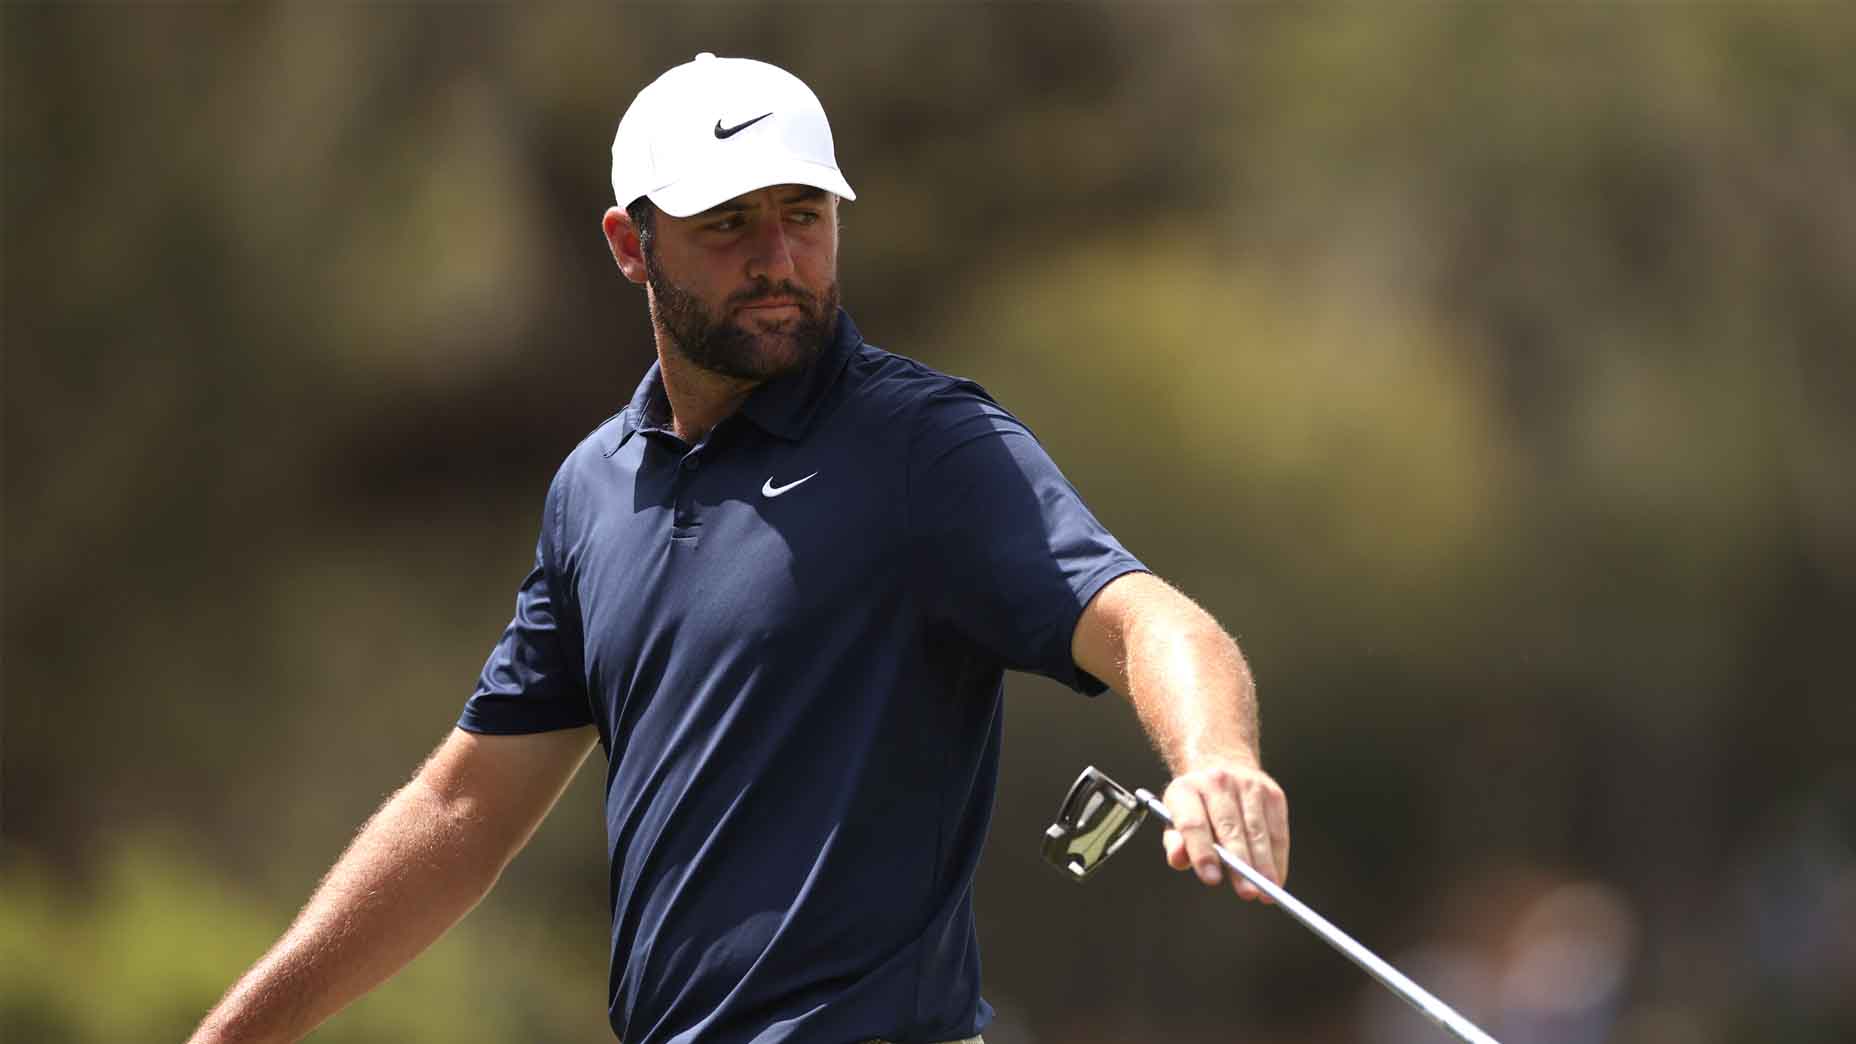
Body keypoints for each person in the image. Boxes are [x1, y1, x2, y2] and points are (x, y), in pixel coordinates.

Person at [189, 53, 1290, 1044]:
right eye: (728, 224)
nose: (778, 258)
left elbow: (1144, 618)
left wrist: (1213, 759)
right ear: (632, 244)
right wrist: (246, 1028)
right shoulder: (593, 488)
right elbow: (465, 806)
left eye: (803, 215)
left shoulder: (922, 445)